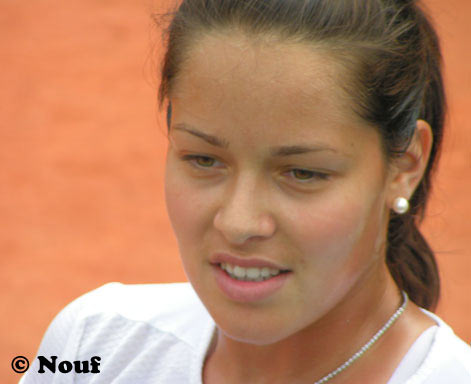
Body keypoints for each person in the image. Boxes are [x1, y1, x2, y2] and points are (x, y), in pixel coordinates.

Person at [20, 0, 471, 383]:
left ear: (406, 166)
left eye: (303, 172)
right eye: (203, 159)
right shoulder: (92, 346)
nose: (238, 223)